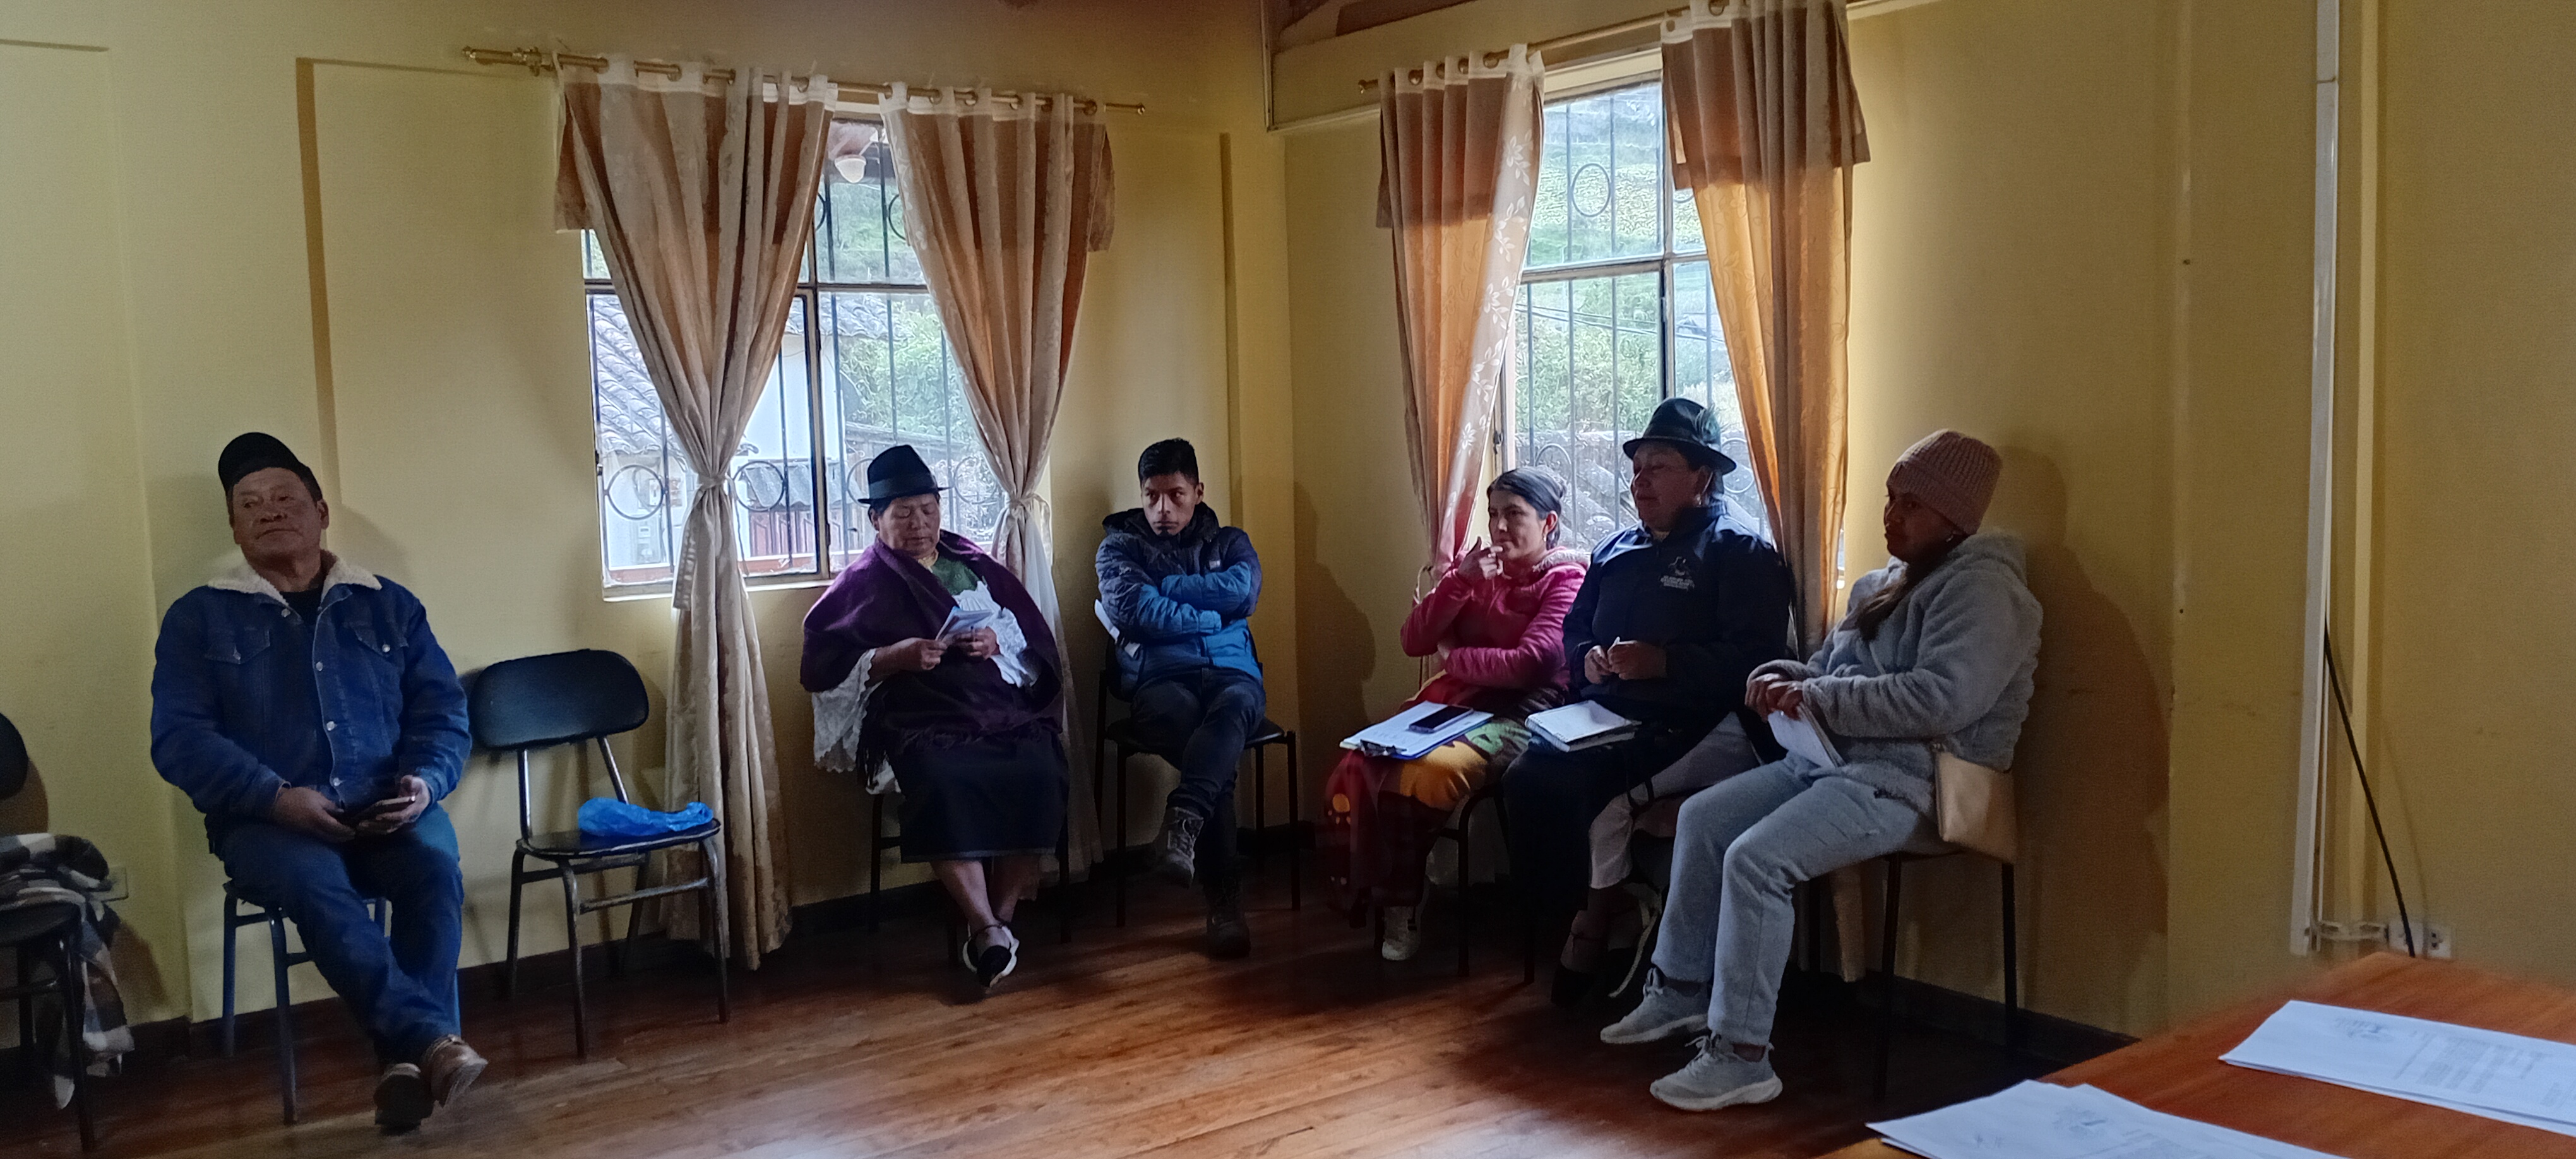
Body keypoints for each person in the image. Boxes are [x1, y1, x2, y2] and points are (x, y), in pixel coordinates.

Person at [1597, 430, 2042, 1113]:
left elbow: (1944, 700)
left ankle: (1742, 1056)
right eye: (1890, 498)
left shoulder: (1986, 591)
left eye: (1912, 505)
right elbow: (1828, 673)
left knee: (1756, 859)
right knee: (1704, 818)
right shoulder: (1882, 584)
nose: (1891, 515)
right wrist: (1782, 676)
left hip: (1919, 782)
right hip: (1832, 763)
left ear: (1956, 518)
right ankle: (1681, 990)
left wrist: (1818, 697)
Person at [150, 433, 482, 1132]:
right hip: (266, 823)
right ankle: (429, 1040)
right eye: (250, 504)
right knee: (315, 881)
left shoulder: (389, 605)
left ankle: (406, 1064)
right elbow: (179, 740)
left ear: (322, 512)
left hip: (387, 808)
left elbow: (443, 714)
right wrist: (274, 797)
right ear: (233, 528)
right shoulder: (196, 618)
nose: (270, 511)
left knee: (433, 868)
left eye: (285, 497)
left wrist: (425, 783)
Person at [1500, 397, 1796, 1006]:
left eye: (1657, 468)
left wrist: (1665, 662)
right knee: (1527, 775)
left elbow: (1757, 659)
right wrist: (1588, 658)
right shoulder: (1615, 549)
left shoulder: (1740, 553)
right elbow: (1575, 629)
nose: (1639, 482)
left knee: (1598, 791)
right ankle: (1579, 912)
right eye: (1636, 469)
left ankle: (1594, 925)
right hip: (1608, 714)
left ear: (1703, 476)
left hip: (1701, 721)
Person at [801, 445, 1068, 992]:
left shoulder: (971, 563)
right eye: (903, 514)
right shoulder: (861, 582)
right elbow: (825, 665)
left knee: (1042, 768)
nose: (920, 525)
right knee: (943, 779)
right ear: (875, 520)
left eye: (928, 510)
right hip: (920, 715)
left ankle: (998, 924)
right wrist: (893, 657)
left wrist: (994, 640)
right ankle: (983, 925)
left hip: (996, 707)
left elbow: (1024, 633)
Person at [1320, 468, 1587, 961]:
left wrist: (1454, 657)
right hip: (1452, 705)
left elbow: (1531, 665)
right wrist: (1459, 583)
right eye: (1494, 514)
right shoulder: (1478, 572)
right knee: (1358, 762)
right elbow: (1412, 640)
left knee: (1425, 775)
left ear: (1548, 523)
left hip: (1523, 715)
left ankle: (1402, 899)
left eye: (1514, 515)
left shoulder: (1567, 579)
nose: (1499, 527)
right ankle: (1379, 891)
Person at [1095, 438, 1265, 958]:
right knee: (1213, 756)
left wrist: (1168, 586)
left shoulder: (1231, 543)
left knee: (1234, 709)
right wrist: (1213, 616)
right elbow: (1136, 611)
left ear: (1198, 491)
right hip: (1160, 679)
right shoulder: (1119, 548)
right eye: (1151, 496)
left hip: (1233, 673)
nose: (1162, 509)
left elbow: (1245, 592)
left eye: (1175, 495)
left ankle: (1183, 823)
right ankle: (1224, 903)